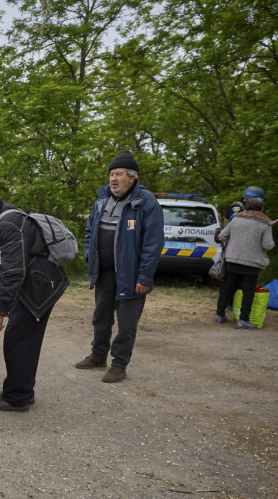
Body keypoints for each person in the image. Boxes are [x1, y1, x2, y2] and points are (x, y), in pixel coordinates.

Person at [0, 181, 68, 412]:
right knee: (23, 340)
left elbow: (16, 271)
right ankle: (20, 391)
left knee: (18, 341)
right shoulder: (1, 216)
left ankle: (16, 397)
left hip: (37, 286)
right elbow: (13, 257)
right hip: (33, 282)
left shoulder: (6, 222)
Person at [78, 151, 163, 383]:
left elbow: (153, 244)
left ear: (132, 177)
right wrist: (89, 255)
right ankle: (98, 355)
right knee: (101, 317)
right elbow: (89, 232)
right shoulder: (101, 201)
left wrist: (144, 278)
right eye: (111, 174)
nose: (113, 179)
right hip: (104, 274)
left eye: (118, 174)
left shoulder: (146, 203)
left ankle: (119, 365)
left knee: (126, 325)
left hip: (131, 276)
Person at [213, 197, 275, 329]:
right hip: (252, 263)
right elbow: (268, 245)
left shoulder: (236, 219)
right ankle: (243, 320)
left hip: (232, 259)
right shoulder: (265, 224)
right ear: (261, 208)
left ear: (246, 207)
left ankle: (219, 315)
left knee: (226, 288)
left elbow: (222, 235)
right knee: (248, 291)